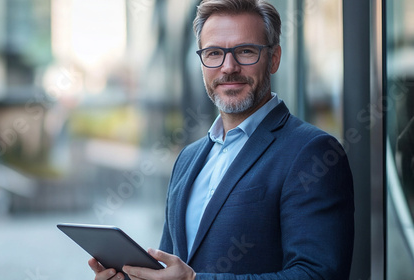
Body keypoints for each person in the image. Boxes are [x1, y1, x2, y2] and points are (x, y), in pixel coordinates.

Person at [89, 0, 355, 279]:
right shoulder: (188, 158)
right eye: (214, 53)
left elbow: (319, 274)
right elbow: (172, 269)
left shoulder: (311, 152)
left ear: (274, 58)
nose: (229, 67)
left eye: (245, 51)